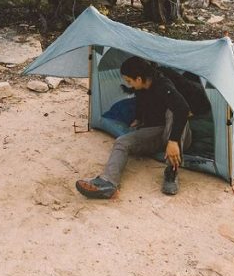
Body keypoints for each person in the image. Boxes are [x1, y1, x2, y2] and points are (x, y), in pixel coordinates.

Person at [76, 56, 192, 199]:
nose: (128, 84)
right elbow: (141, 102)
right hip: (156, 132)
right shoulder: (140, 87)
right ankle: (108, 183)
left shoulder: (163, 85)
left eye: (129, 81)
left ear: (138, 78)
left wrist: (173, 140)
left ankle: (171, 172)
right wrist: (138, 118)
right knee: (121, 142)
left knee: (173, 111)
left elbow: (183, 108)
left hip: (178, 135)